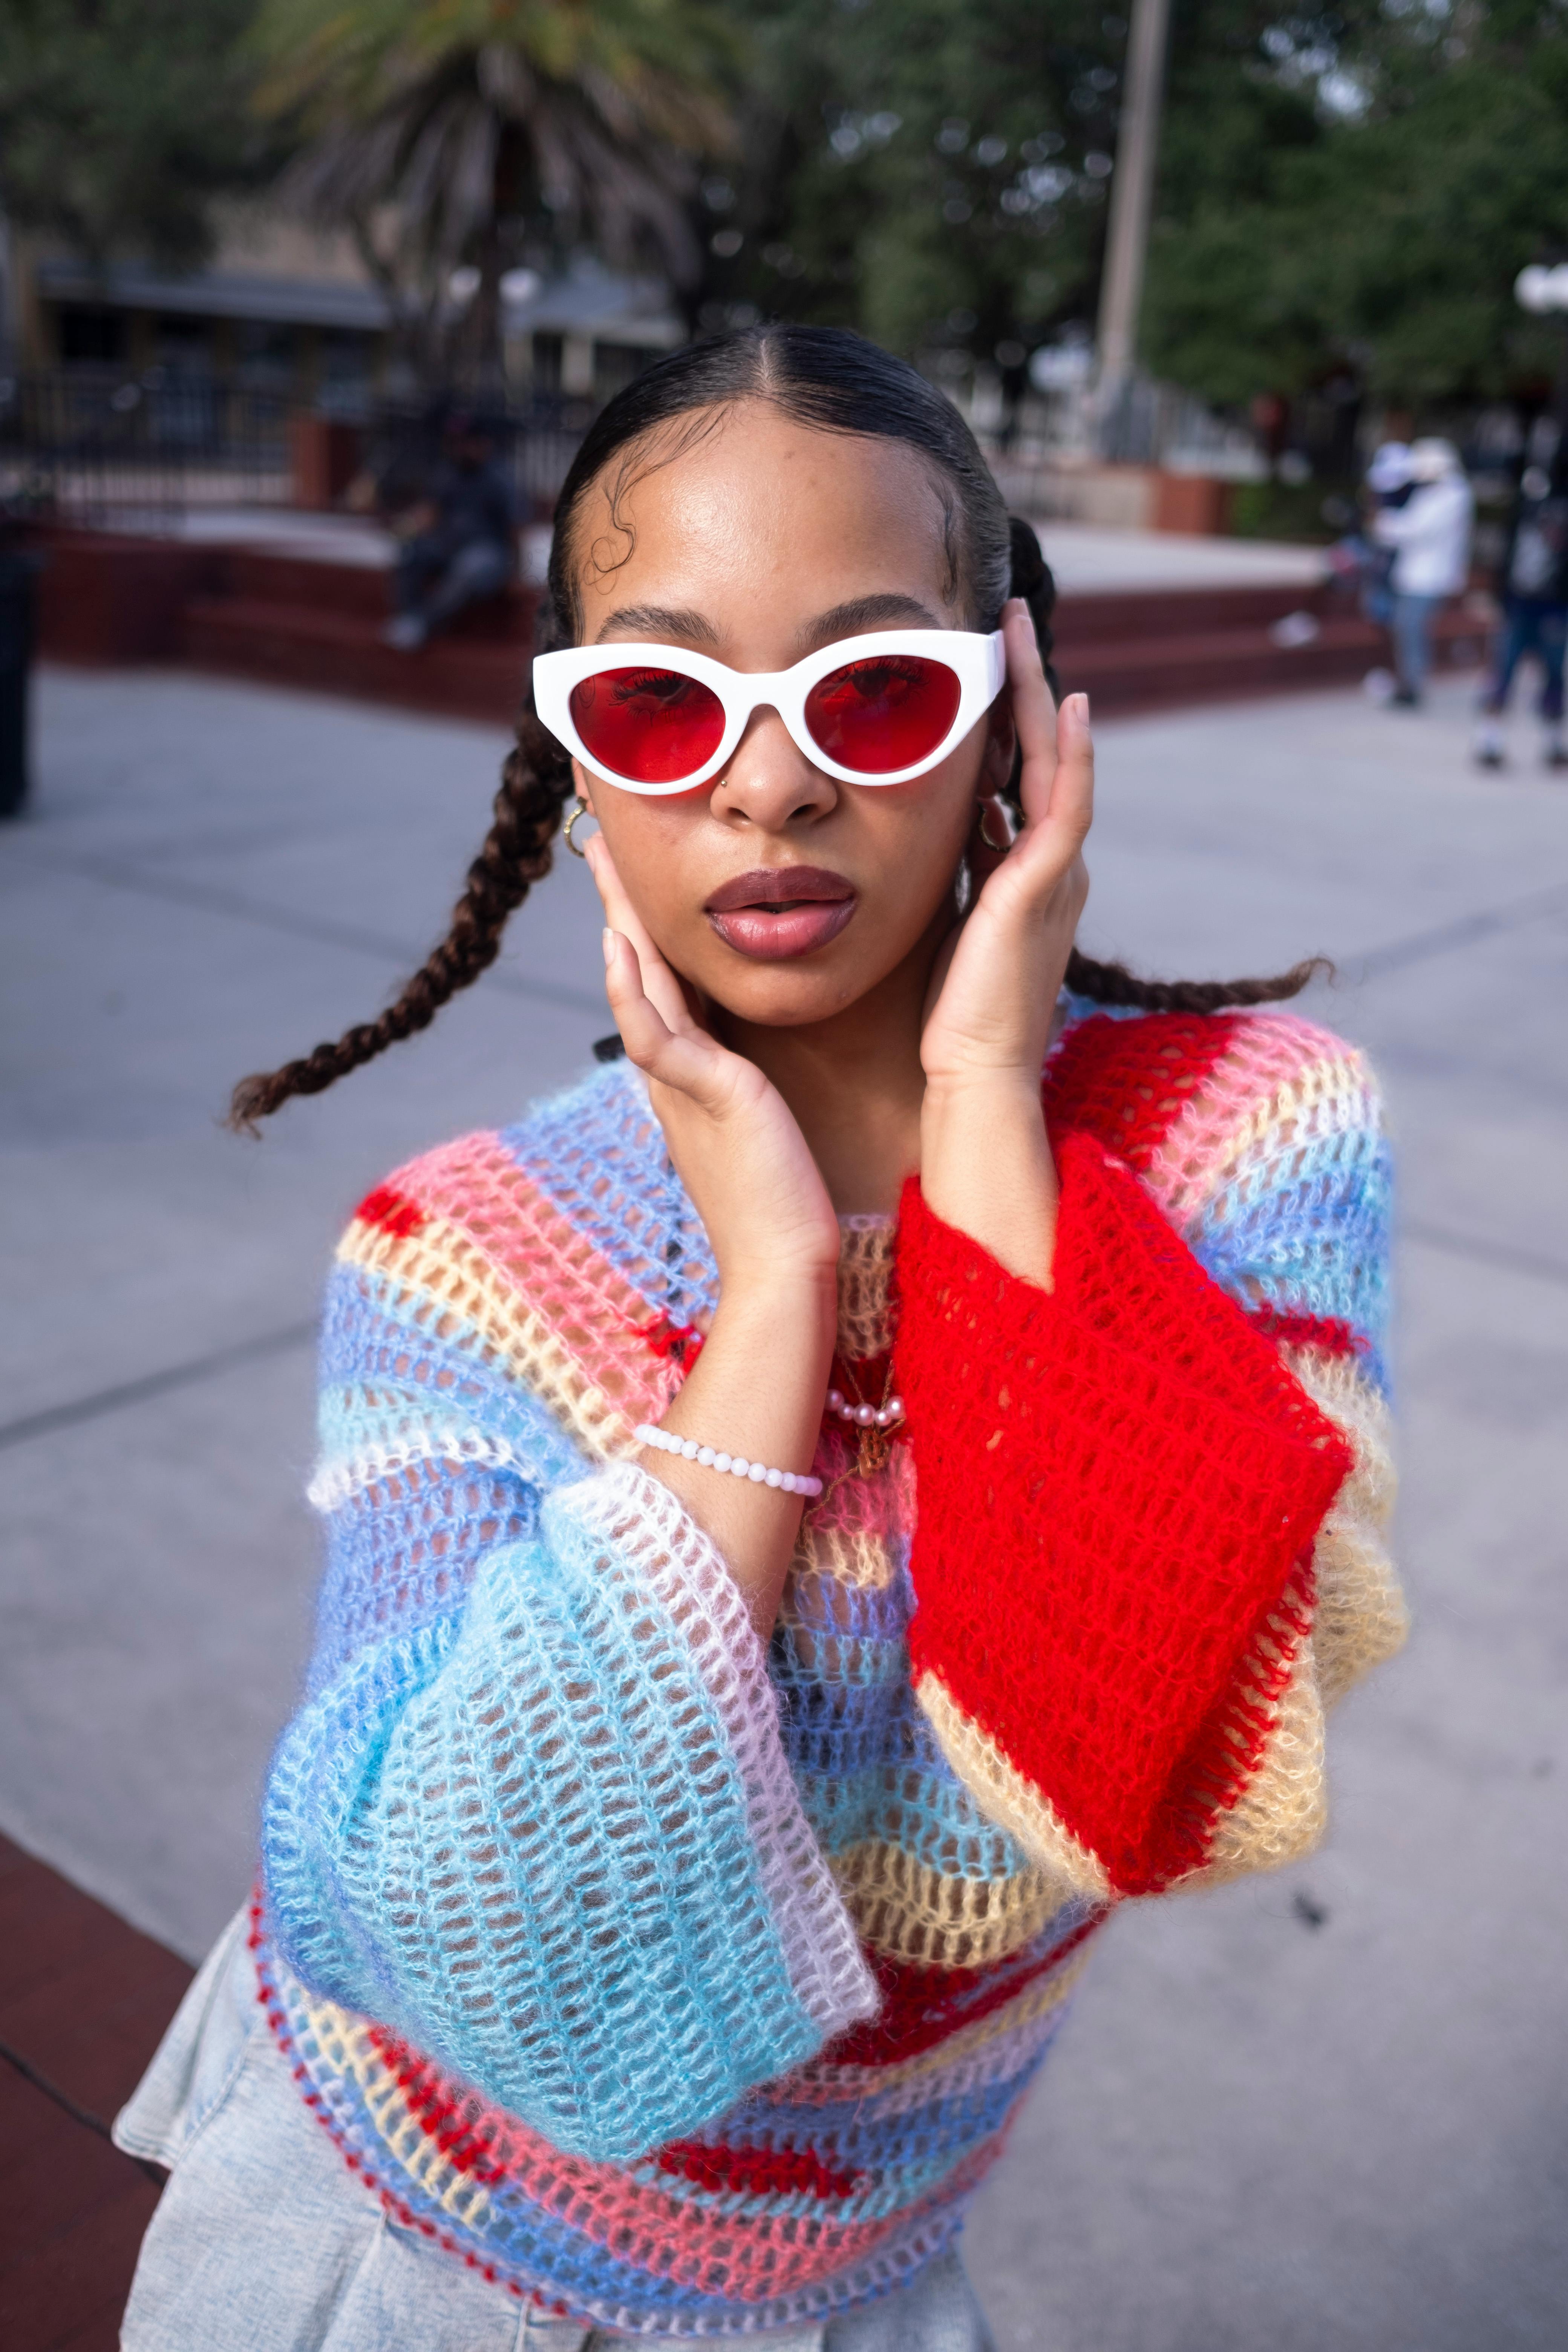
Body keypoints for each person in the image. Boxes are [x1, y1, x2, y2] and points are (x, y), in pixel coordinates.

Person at [113, 326, 1407, 2351]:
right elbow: (455, 1918)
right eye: (662, 699)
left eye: (876, 689)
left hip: (852, 2280)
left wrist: (984, 1102)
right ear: (577, 779)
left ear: (1010, 718)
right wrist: (777, 1302)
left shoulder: (1250, 1143)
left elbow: (1161, 1745)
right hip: (422, 2246)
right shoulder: (460, 1250)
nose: (774, 778)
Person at [383, 413, 519, 651]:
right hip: (451, 545)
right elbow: (430, 512)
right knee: (412, 552)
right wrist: (407, 528)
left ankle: (424, 623)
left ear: (481, 443)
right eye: (455, 442)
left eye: (465, 442)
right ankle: (408, 617)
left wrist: (516, 570)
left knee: (470, 567)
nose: (459, 448)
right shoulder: (450, 472)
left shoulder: (500, 478)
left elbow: (516, 527)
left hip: (489, 552)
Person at [1472, 455, 1568, 772]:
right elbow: (1505, 552)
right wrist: (1498, 595)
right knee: (1504, 669)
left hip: (1553, 605)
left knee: (1553, 673)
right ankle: (1490, 741)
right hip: (1519, 603)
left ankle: (1554, 742)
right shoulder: (1522, 508)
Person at [1370, 436, 1473, 707]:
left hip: (1428, 579)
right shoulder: (1434, 492)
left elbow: (1416, 530)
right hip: (1415, 575)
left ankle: (1412, 687)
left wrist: (1386, 526)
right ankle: (1409, 683)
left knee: (1411, 629)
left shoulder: (1453, 494)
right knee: (1406, 629)